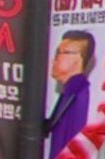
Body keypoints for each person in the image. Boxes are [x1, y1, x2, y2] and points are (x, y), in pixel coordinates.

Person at [40, 30, 93, 159]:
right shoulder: (69, 92)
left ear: (78, 59)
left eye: (60, 53)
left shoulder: (80, 95)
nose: (54, 59)